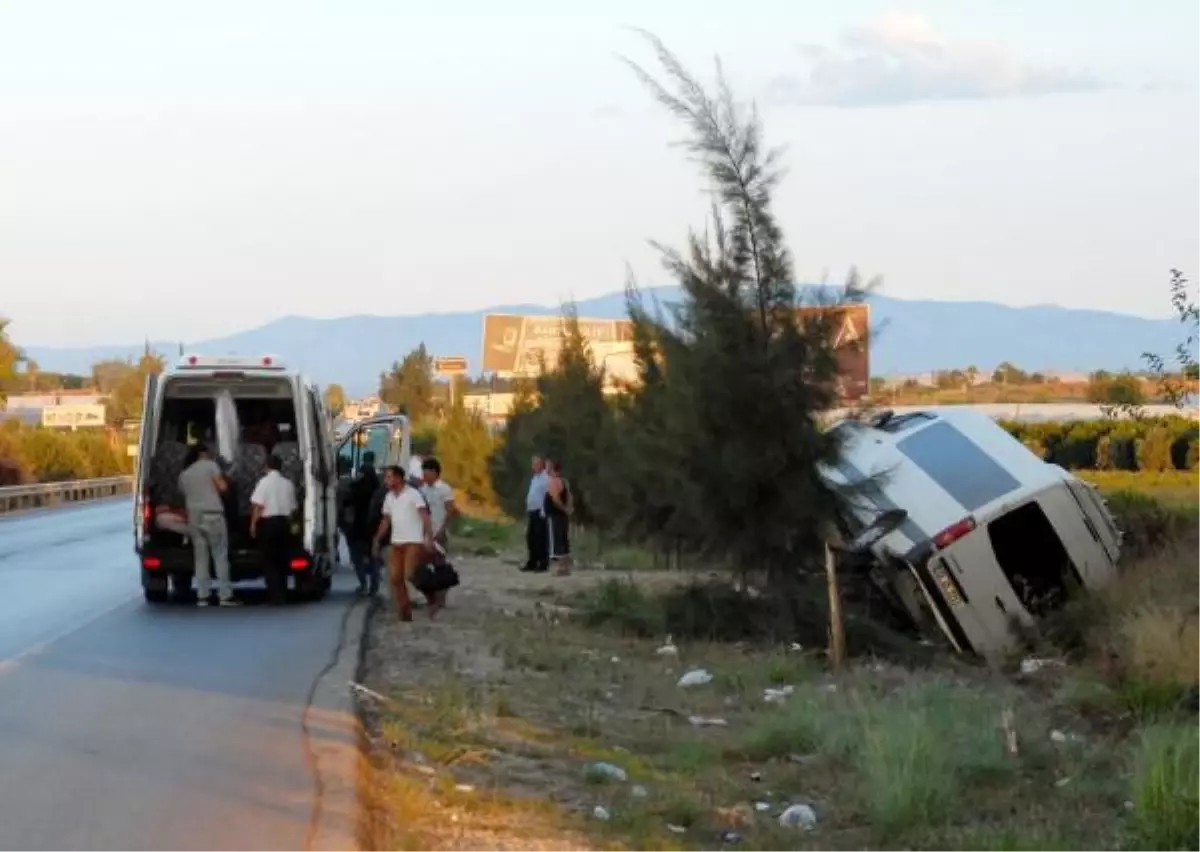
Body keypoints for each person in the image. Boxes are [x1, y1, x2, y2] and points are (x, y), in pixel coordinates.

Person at [178, 441, 240, 607]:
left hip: (194, 518)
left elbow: (183, 494)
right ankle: (225, 596)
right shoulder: (211, 466)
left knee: (201, 558)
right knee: (220, 555)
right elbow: (222, 487)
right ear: (203, 453)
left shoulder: (184, 474)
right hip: (212, 516)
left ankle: (202, 595)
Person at [373, 465, 436, 621]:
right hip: (397, 542)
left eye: (389, 477)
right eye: (386, 477)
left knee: (410, 574)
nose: (386, 480)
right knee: (395, 578)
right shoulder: (389, 497)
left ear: (399, 478)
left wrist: (429, 537)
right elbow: (385, 520)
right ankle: (404, 611)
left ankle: (431, 593)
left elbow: (424, 516)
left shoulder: (413, 494)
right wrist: (377, 539)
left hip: (413, 541)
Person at [250, 453, 298, 605]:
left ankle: (274, 594)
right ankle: (283, 592)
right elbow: (292, 509)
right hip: (284, 523)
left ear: (266, 467)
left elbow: (258, 506)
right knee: (282, 559)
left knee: (269, 560)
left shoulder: (263, 483)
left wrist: (252, 525)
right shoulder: (288, 483)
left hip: (268, 524)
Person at [348, 451, 383, 597]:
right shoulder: (379, 485)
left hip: (358, 528)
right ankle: (374, 586)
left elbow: (348, 502)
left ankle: (363, 583)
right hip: (374, 527)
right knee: (374, 556)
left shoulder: (357, 484)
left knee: (357, 557)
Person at [420, 457, 458, 551]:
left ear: (434, 472)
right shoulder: (423, 490)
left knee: (439, 559)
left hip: (439, 531)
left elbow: (450, 511)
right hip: (425, 532)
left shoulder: (444, 489)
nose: (423, 475)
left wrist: (443, 530)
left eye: (426, 472)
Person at [521, 455, 550, 573]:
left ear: (541, 465)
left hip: (540, 511)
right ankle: (532, 561)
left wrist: (544, 510)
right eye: (532, 464)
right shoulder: (534, 478)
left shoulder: (545, 478)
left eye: (535, 464)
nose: (533, 466)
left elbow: (546, 496)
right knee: (531, 537)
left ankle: (543, 563)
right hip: (532, 511)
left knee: (541, 538)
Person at [544, 458, 573, 576]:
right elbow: (570, 496)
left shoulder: (553, 481)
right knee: (563, 539)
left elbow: (555, 499)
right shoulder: (563, 481)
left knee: (557, 541)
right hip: (562, 516)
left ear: (552, 469)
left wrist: (564, 509)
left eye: (547, 467)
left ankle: (561, 568)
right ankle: (565, 567)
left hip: (556, 515)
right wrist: (569, 509)